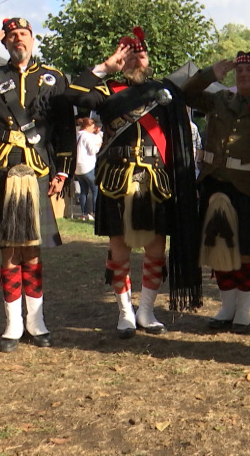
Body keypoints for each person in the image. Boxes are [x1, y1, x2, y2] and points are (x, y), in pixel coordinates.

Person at [0, 17, 104, 352]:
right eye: (11, 35)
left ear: (32, 39)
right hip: (1, 169)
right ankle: (13, 324)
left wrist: (63, 171)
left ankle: (36, 321)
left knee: (32, 248)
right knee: (8, 250)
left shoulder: (53, 78)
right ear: (6, 42)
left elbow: (63, 129)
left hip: (38, 170)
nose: (17, 39)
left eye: (22, 34)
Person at [72, 26, 201, 338]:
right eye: (129, 56)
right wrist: (104, 68)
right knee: (119, 250)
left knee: (157, 248)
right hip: (116, 176)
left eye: (141, 56)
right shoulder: (105, 92)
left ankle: (145, 310)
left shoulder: (163, 90)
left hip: (156, 178)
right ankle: (124, 312)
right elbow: (71, 95)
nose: (137, 61)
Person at [182, 47, 250, 333]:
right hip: (215, 183)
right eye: (239, 70)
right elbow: (186, 95)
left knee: (246, 251)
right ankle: (227, 306)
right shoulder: (220, 99)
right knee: (219, 249)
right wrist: (208, 75)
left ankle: (245, 308)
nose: (243, 74)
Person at [75, 117, 102, 221]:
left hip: (78, 168)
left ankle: (83, 214)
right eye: (92, 126)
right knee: (96, 189)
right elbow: (93, 150)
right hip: (88, 166)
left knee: (83, 191)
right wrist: (99, 145)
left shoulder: (77, 134)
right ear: (87, 126)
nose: (94, 128)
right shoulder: (87, 136)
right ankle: (94, 213)